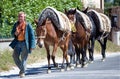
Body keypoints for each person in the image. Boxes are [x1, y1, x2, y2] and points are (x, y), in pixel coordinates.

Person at [9, 11, 36, 78]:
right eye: (19, 16)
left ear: (24, 17)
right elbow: (12, 33)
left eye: (21, 16)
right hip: (17, 43)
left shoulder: (27, 25)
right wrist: (15, 33)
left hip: (25, 43)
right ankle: (23, 68)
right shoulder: (16, 24)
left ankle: (22, 72)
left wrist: (32, 46)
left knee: (24, 58)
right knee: (15, 57)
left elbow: (32, 36)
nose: (20, 18)